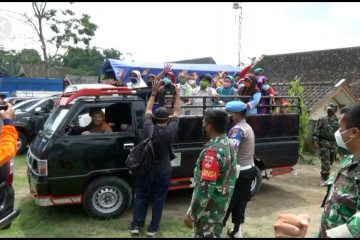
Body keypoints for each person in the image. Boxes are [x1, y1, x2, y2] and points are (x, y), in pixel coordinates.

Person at [274, 102, 360, 238]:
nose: (337, 133)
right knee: (325, 164)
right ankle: (323, 175)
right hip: (325, 145)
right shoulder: (349, 161)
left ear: (354, 132)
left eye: (340, 128)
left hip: (331, 146)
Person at [129, 79, 180, 238]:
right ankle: (153, 228)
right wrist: (177, 95)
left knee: (141, 196)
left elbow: (148, 109)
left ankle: (136, 225)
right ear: (167, 119)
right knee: (159, 199)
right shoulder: (171, 130)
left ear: (154, 118)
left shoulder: (148, 127)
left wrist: (154, 93)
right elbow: (177, 112)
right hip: (163, 170)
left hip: (145, 168)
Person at [183, 109, 237, 238]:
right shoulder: (229, 144)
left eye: (203, 123)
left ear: (208, 126)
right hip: (220, 206)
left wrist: (192, 214)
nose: (202, 125)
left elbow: (205, 188)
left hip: (209, 211)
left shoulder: (213, 152)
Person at [223, 100, 257, 238]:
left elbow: (231, 151)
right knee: (241, 202)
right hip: (249, 169)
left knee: (228, 201)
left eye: (229, 114)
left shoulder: (237, 129)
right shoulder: (247, 126)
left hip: (239, 172)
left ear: (236, 115)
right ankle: (237, 231)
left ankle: (219, 226)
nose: (228, 117)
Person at [312, 103, 339, 183]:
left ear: (335, 110)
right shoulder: (322, 119)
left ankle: (326, 172)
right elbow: (316, 131)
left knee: (330, 160)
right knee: (325, 160)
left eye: (331, 110)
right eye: (328, 110)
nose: (329, 111)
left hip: (334, 144)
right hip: (324, 142)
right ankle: (325, 176)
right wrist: (315, 141)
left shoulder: (338, 121)